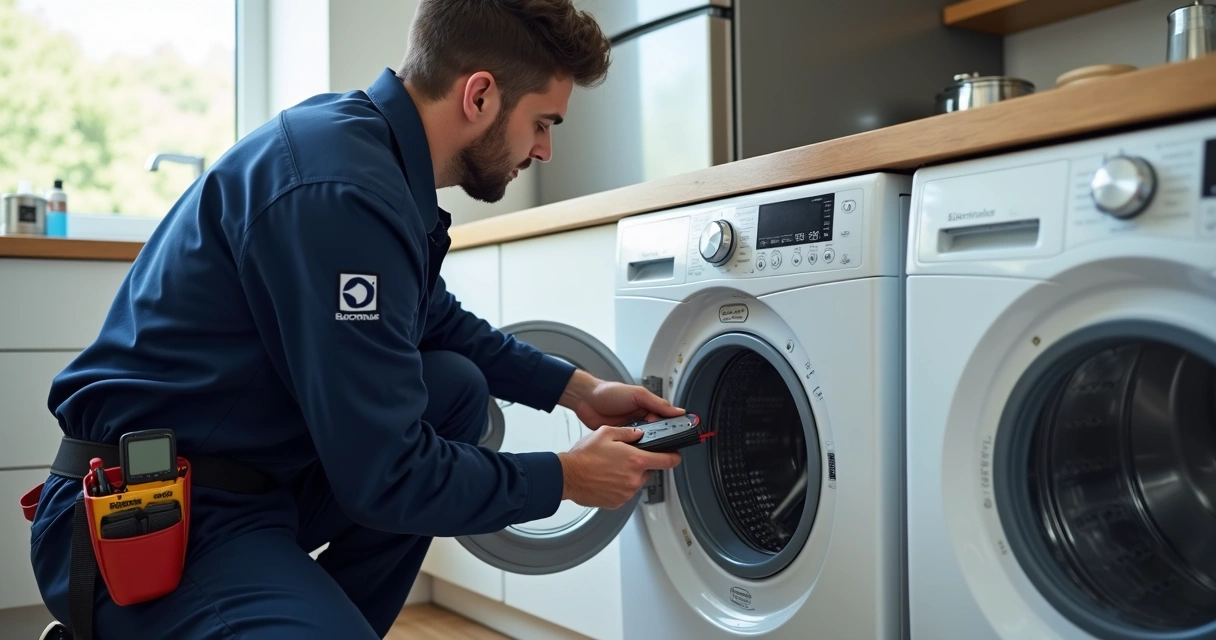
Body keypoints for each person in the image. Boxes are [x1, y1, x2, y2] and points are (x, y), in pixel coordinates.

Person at [27, 1, 684, 638]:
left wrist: (582, 391)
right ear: (480, 96)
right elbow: (389, 474)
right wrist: (566, 477)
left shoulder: (372, 160)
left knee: (452, 389)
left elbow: (440, 326)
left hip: (248, 489)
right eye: (543, 123)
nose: (543, 150)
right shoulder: (341, 191)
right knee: (412, 448)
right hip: (145, 513)